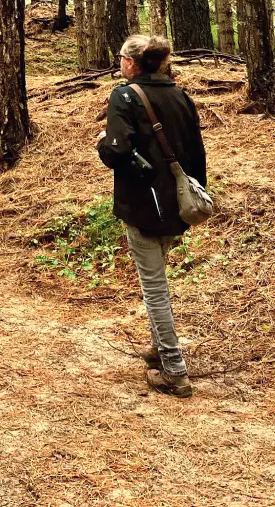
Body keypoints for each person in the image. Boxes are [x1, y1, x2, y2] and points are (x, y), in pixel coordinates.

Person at [96, 33, 207, 398]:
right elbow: (197, 154)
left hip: (143, 206)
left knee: (154, 288)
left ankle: (174, 369)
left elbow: (117, 151)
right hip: (177, 206)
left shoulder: (124, 96)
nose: (119, 63)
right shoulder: (181, 96)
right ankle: (160, 350)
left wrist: (103, 143)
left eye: (121, 58)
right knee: (157, 280)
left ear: (130, 63)